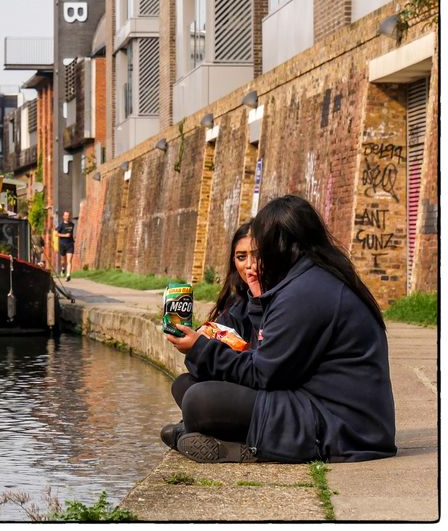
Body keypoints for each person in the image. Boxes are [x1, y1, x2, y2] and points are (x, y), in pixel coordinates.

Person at [163, 195, 396, 464]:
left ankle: (242, 446)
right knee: (188, 385)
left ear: (280, 245)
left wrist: (200, 349)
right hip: (320, 408)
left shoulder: (306, 293)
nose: (255, 260)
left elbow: (263, 373)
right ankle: (221, 438)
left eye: (262, 248)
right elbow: (272, 361)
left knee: (199, 401)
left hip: (342, 428)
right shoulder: (310, 280)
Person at [160, 221, 259, 450]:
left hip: (268, 398)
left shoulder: (278, 302)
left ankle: (208, 435)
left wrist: (204, 350)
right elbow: (205, 369)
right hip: (242, 383)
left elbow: (262, 368)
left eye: (257, 256)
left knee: (198, 400)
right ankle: (200, 430)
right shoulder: (238, 306)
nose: (249, 266)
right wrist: (196, 346)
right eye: (241, 257)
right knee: (183, 385)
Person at [55, 211, 75, 281]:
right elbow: (56, 234)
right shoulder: (61, 225)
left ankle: (68, 275)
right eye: (66, 216)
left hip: (70, 244)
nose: (67, 217)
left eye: (69, 215)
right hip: (62, 244)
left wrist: (73, 237)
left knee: (69, 261)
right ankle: (63, 268)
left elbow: (71, 233)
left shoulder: (72, 224)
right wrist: (65, 235)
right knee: (63, 260)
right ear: (63, 217)